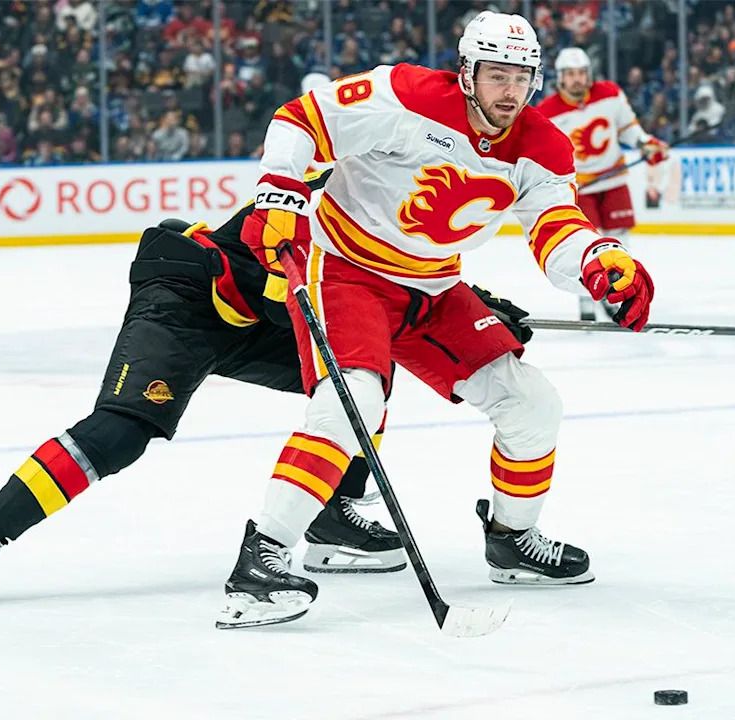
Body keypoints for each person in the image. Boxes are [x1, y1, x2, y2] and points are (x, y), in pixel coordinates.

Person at [0, 171, 532, 609]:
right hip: (189, 299)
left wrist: (482, 309)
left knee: (359, 381)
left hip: (258, 319)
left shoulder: (377, 210)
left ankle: (330, 522)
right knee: (125, 431)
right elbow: (350, 282)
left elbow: (401, 287)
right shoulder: (318, 202)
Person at [218, 11, 655, 629]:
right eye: (497, 75)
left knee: (532, 404)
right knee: (352, 407)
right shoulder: (406, 95)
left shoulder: (543, 143)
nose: (511, 91)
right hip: (347, 273)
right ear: (467, 71)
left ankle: (512, 539)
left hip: (434, 287)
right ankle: (261, 559)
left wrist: (599, 258)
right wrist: (280, 193)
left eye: (522, 77)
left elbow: (555, 224)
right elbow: (301, 119)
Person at [535, 47, 667, 320]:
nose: (577, 80)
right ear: (559, 78)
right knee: (585, 245)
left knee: (619, 239)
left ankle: (618, 294)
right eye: (570, 74)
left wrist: (644, 144)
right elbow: (543, 152)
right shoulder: (547, 112)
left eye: (581, 73)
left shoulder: (609, 94)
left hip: (613, 179)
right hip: (579, 188)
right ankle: (586, 304)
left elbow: (628, 128)